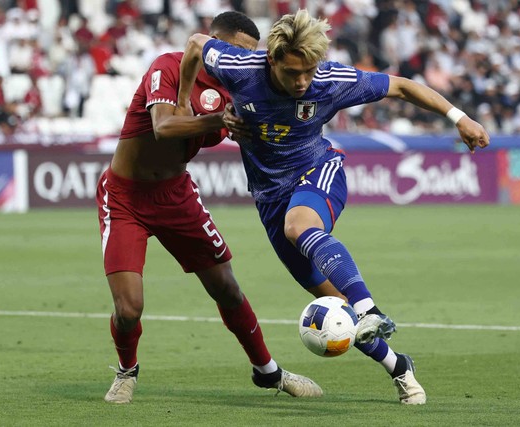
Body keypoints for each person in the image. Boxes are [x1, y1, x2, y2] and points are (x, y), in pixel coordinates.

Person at [177, 9, 491, 405]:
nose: (302, 81)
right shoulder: (241, 68)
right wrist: (183, 106)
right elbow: (193, 44)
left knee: (300, 227)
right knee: (336, 310)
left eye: (309, 71)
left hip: (318, 170)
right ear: (271, 60)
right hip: (270, 199)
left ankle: (370, 307)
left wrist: (458, 117)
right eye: (293, 73)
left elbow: (402, 87)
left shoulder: (331, 80)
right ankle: (399, 367)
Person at [95, 11, 323, 404]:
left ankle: (268, 372)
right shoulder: (167, 66)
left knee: (227, 288)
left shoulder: (238, 92)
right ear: (216, 40)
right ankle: (126, 372)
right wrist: (218, 119)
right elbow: (163, 126)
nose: (244, 61)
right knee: (129, 308)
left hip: (176, 195)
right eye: (240, 51)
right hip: (125, 198)